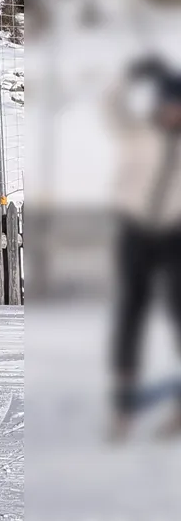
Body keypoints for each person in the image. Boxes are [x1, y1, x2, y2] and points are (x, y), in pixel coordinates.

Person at [107, 57, 181, 438]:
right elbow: (110, 107)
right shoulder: (139, 132)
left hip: (174, 235)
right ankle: (124, 405)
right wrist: (130, 75)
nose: (171, 112)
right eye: (167, 104)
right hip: (136, 232)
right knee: (131, 314)